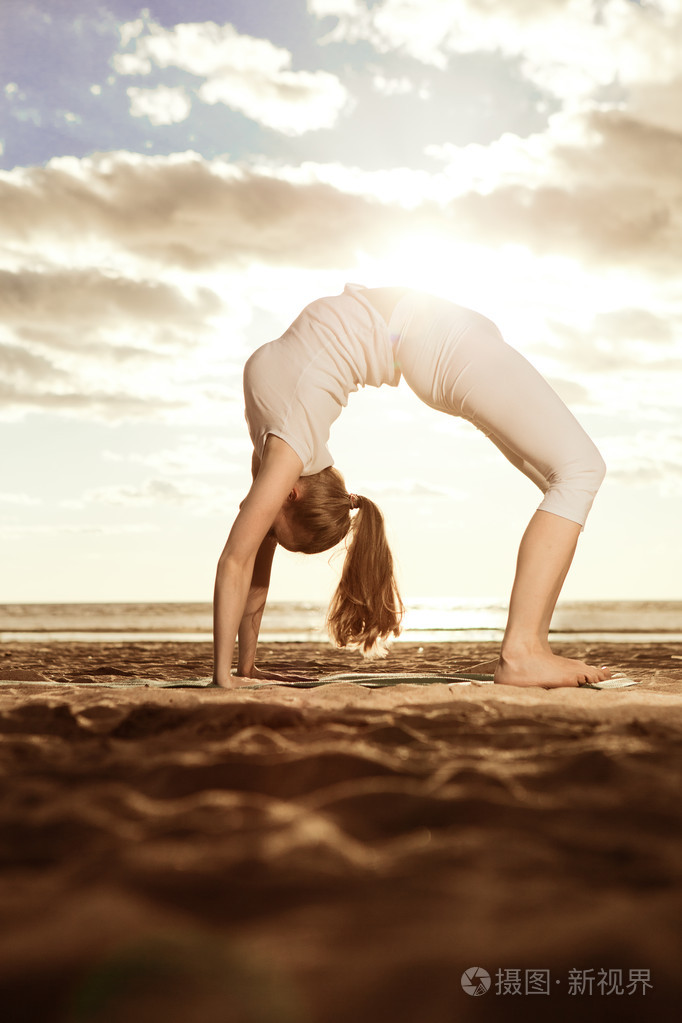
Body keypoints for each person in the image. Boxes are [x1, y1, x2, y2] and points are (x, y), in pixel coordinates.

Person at [213, 283, 611, 689]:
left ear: (290, 494)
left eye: (275, 531)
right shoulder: (283, 450)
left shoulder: (279, 453)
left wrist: (233, 674)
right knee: (579, 473)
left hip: (440, 342)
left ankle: (532, 649)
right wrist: (230, 675)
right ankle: (523, 652)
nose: (266, 531)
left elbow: (242, 564)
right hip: (441, 343)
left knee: (564, 482)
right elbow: (245, 565)